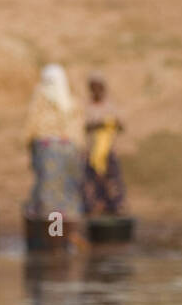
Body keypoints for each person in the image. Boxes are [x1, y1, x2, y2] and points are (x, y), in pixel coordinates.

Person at [25, 64, 85, 242]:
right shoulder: (71, 102)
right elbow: (78, 135)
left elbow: (31, 129)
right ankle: (68, 239)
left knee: (53, 203)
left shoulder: (40, 99)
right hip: (71, 154)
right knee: (68, 199)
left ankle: (56, 240)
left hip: (49, 156)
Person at [82, 71, 126, 216]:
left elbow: (120, 126)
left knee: (112, 181)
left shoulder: (110, 106)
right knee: (91, 181)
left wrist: (112, 124)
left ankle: (115, 207)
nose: (97, 90)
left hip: (108, 151)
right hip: (91, 152)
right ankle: (92, 207)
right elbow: (83, 126)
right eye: (94, 87)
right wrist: (98, 125)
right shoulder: (86, 107)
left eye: (99, 87)